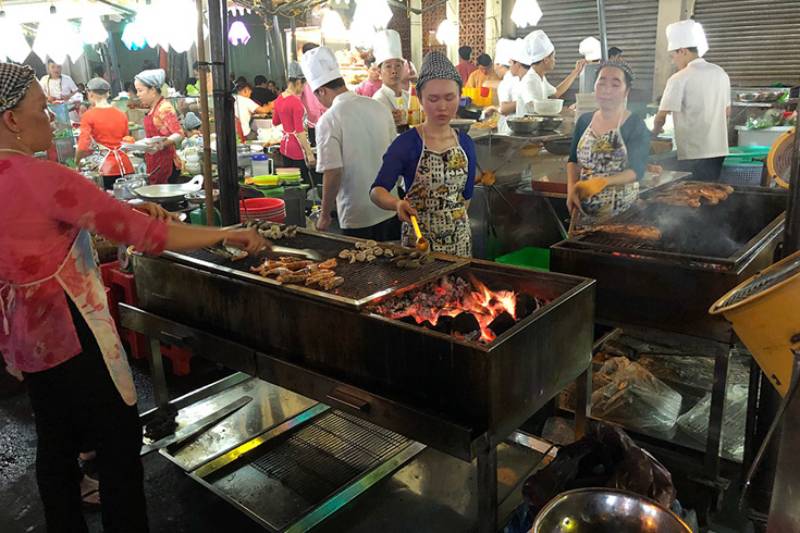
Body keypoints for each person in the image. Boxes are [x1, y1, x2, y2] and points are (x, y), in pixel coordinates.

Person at [0, 61, 266, 533]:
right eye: (42, 108)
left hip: (26, 333)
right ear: (11, 119)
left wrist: (121, 210)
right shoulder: (41, 177)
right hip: (74, 331)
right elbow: (146, 236)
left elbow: (57, 233)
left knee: (55, 442)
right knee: (118, 444)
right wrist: (226, 233)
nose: (53, 119)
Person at [371, 52, 477, 257]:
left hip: (460, 244)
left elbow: (467, 197)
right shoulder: (406, 143)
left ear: (459, 96)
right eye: (433, 99)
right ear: (419, 98)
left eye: (449, 97)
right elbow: (377, 191)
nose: (443, 106)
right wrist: (397, 203)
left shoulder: (466, 143)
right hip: (418, 245)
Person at [301, 46, 400, 241]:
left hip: (357, 215)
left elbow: (333, 172)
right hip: (389, 206)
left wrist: (324, 215)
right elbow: (395, 156)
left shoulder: (329, 120)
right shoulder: (378, 107)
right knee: (392, 267)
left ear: (321, 91)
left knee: (362, 269)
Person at [566, 60, 650, 221]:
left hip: (623, 215)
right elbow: (573, 161)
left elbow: (637, 171)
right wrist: (571, 189)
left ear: (626, 92)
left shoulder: (634, 124)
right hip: (583, 214)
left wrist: (604, 181)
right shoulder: (584, 121)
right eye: (602, 83)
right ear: (595, 87)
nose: (607, 90)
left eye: (615, 84)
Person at [652, 20, 730, 182]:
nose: (674, 61)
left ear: (683, 51)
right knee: (710, 190)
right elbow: (727, 111)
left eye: (673, 56)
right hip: (719, 150)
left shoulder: (679, 78)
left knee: (691, 193)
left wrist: (654, 133)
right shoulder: (720, 73)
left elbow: (661, 116)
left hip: (694, 154)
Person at [75, 78, 134, 190]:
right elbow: (126, 139)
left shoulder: (88, 116)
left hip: (106, 168)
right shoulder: (121, 114)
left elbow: (83, 145)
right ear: (108, 94)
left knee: (111, 202)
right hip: (126, 166)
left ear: (90, 94)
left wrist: (77, 162)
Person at [510, 30, 586, 116]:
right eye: (553, 57)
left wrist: (575, 72)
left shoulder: (540, 78)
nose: (554, 60)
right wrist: (564, 110)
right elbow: (534, 108)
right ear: (546, 60)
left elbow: (556, 93)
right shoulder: (530, 80)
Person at [134, 69, 185, 185]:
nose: (138, 95)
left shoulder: (164, 108)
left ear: (152, 90)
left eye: (140, 90)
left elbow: (179, 133)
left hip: (166, 164)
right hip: (155, 162)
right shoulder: (153, 108)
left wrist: (161, 145)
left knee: (165, 202)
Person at [272, 61, 316, 187]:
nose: (303, 90)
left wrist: (285, 116)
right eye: (303, 86)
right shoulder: (296, 103)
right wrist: (309, 153)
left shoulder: (280, 98)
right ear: (298, 82)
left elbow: (275, 121)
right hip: (296, 148)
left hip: (284, 147)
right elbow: (299, 131)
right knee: (304, 184)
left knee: (289, 183)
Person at [372, 29, 410, 132]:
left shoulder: (409, 97)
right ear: (379, 71)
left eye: (398, 65)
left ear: (404, 68)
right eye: (388, 66)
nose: (394, 71)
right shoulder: (378, 100)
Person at [299, 43, 327, 146]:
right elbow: (297, 96)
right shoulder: (302, 74)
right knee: (316, 147)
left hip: (325, 117)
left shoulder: (323, 70)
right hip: (311, 121)